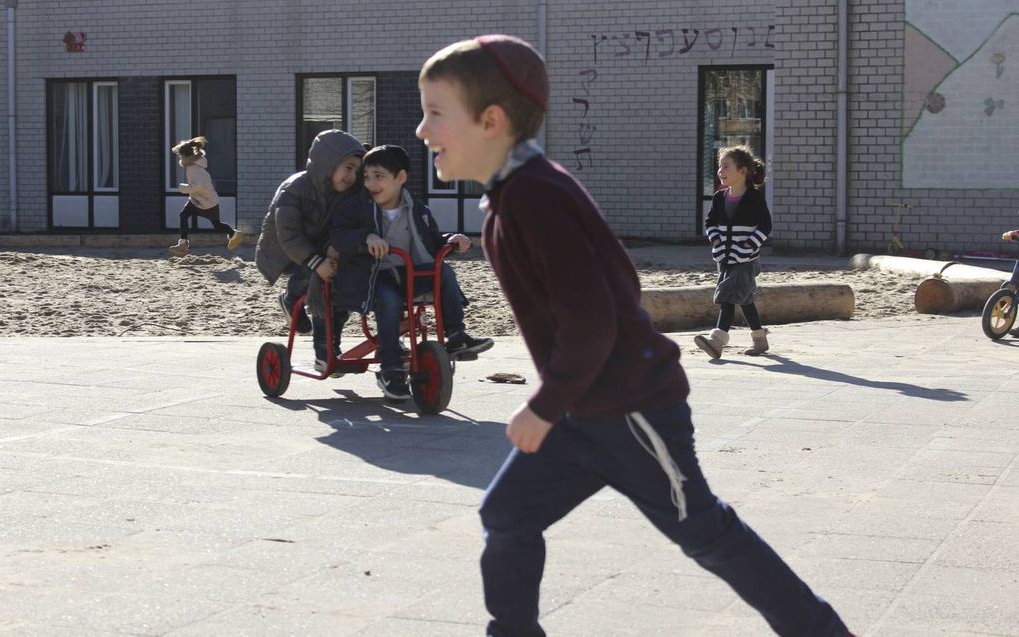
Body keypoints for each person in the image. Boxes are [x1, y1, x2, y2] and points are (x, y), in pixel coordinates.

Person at [415, 35, 855, 637]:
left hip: (632, 409)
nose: (422, 130)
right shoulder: (512, 200)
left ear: (490, 121)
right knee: (508, 513)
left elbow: (594, 317)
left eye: (435, 113)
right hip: (582, 413)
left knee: (704, 531)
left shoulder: (536, 197)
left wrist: (544, 406)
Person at [329, 144, 493, 401]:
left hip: (408, 272)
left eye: (378, 176)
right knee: (389, 301)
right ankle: (391, 368)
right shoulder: (355, 207)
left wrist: (453, 240)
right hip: (372, 274)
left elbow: (432, 243)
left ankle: (457, 335)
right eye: (367, 176)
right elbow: (338, 236)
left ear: (401, 178)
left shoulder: (417, 209)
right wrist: (366, 237)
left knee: (445, 273)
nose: (371, 183)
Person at [254, 129, 364, 373]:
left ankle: (332, 348)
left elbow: (339, 226)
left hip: (317, 246)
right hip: (284, 250)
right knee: (312, 276)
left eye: (356, 171)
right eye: (348, 168)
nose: (352, 176)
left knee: (338, 289)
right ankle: (293, 301)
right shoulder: (294, 189)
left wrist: (333, 248)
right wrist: (317, 261)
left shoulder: (342, 194)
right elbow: (289, 235)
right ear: (328, 163)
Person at [693, 145, 773, 359]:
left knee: (727, 296)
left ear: (743, 171)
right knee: (745, 299)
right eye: (719, 166)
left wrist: (750, 244)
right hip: (724, 257)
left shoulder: (754, 198)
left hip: (746, 259)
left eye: (726, 166)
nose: (721, 170)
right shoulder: (719, 197)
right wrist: (715, 238)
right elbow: (710, 222)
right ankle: (760, 339)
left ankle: (716, 342)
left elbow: (765, 226)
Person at [168, 136, 242, 256]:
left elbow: (199, 186)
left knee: (217, 224)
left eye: (180, 155)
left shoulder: (193, 168)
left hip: (207, 202)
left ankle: (233, 234)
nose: (180, 158)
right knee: (184, 215)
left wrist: (183, 188)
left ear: (185, 156)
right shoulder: (193, 165)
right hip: (197, 199)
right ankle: (182, 244)